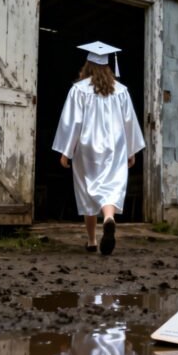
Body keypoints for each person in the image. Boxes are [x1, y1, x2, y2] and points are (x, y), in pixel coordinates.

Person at [52, 41, 146, 255]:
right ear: (108, 67)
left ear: (87, 66)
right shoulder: (121, 91)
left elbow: (73, 121)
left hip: (87, 147)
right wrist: (131, 151)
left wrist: (66, 150)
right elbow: (129, 122)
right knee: (110, 186)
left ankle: (92, 240)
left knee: (88, 189)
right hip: (115, 146)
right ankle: (109, 217)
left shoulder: (78, 90)